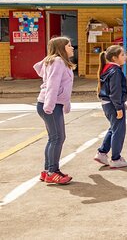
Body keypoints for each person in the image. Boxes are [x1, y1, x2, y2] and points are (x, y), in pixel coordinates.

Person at [35, 37, 75, 185]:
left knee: (54, 138)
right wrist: (50, 106)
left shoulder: (59, 62)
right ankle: (53, 171)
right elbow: (53, 85)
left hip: (51, 104)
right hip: (49, 105)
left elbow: (62, 88)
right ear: (61, 48)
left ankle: (47, 171)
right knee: (58, 138)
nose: (72, 48)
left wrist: (65, 104)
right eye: (69, 45)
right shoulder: (57, 62)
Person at [94, 45, 127, 169]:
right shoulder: (115, 71)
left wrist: (120, 104)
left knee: (113, 128)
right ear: (115, 58)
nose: (125, 56)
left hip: (108, 103)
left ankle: (102, 153)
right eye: (122, 55)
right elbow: (115, 91)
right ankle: (116, 158)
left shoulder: (107, 68)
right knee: (118, 131)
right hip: (112, 104)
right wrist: (118, 107)